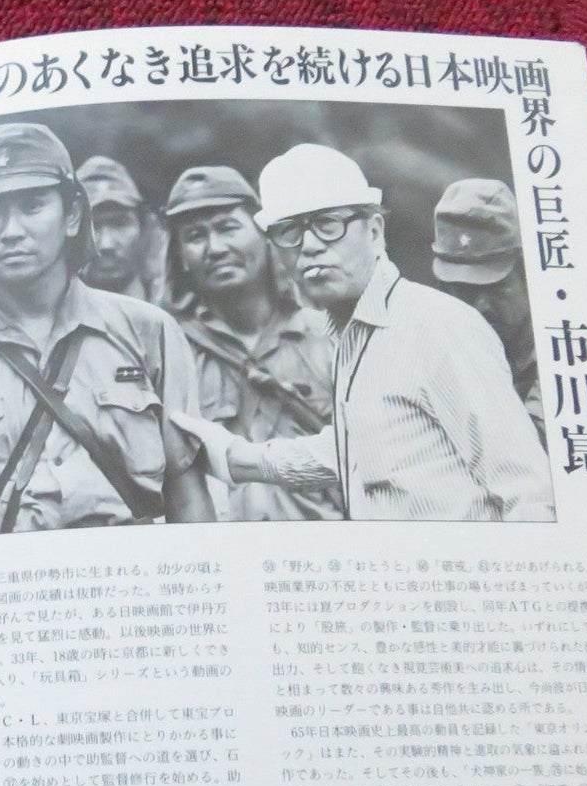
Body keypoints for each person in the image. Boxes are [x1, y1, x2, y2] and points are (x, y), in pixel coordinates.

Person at [0, 123, 213, 545]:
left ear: (72, 216)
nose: (11, 231)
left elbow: (189, 499)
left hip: (132, 578)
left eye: (32, 206)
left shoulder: (150, 334)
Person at [169, 144, 554, 522]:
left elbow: (528, 489)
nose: (310, 246)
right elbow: (358, 446)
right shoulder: (350, 336)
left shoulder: (436, 325)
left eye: (327, 224)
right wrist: (235, 457)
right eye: (290, 232)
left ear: (374, 230)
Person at [161, 165, 339, 522]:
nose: (214, 248)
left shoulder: (328, 337)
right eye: (195, 236)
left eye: (228, 228)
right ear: (180, 258)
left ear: (265, 236)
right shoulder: (169, 353)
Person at [431, 178, 548, 450]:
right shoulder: (434, 349)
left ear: (526, 273)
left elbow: (527, 448)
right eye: (463, 290)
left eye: (494, 287)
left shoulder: (559, 346)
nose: (480, 306)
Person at [77, 155, 166, 305]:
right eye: (91, 226)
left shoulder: (173, 314)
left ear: (145, 229)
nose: (106, 245)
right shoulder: (46, 316)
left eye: (119, 224)